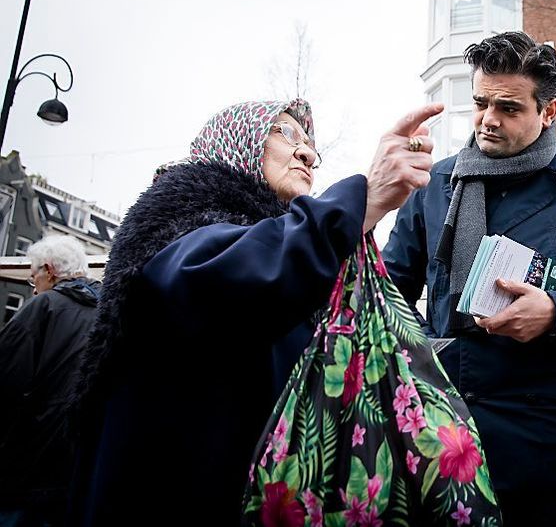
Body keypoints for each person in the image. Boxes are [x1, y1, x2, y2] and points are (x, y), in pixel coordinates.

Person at [67, 99, 441, 526]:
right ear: (235, 141)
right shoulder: (178, 221)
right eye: (285, 133)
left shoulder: (281, 246)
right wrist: (363, 198)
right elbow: (236, 277)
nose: (305, 153)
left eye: (310, 146)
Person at [383, 31, 556, 526]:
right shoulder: (435, 186)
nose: (488, 119)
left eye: (508, 108)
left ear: (549, 111)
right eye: (481, 102)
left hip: (548, 440)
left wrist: (555, 312)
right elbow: (385, 299)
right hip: (444, 427)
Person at [0, 236, 101, 527]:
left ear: (49, 270)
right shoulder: (110, 311)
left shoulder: (44, 307)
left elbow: (7, 383)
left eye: (33, 280)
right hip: (81, 467)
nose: (34, 290)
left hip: (27, 467)